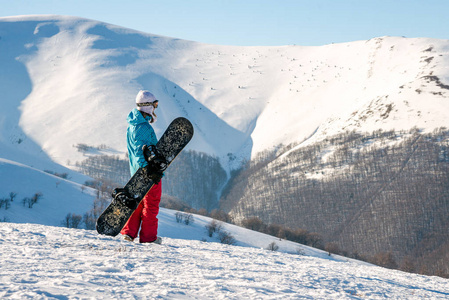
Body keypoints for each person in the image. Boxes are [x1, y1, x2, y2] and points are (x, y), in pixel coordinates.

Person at [120, 90, 162, 244]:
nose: (155, 108)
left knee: (137, 203)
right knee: (151, 205)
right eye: (154, 105)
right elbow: (140, 151)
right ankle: (149, 238)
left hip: (136, 172)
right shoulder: (142, 127)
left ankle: (129, 234)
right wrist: (149, 170)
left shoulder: (132, 124)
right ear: (147, 106)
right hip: (148, 173)